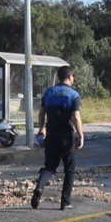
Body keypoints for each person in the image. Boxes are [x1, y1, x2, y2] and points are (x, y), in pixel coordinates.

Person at [31, 66, 84, 211]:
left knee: (49, 167)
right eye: (73, 76)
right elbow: (76, 118)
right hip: (66, 136)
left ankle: (39, 188)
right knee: (69, 170)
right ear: (69, 77)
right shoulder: (73, 95)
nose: (73, 79)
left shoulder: (49, 92)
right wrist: (81, 136)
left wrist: (41, 129)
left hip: (51, 135)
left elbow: (41, 113)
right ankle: (65, 202)